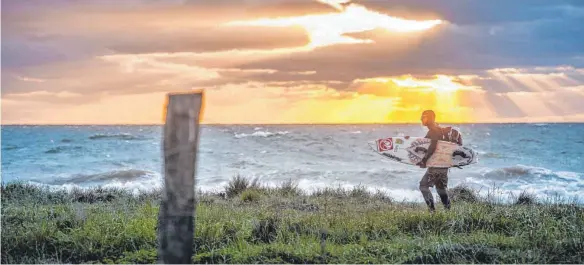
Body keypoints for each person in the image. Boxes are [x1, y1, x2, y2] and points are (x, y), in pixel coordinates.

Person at [417, 110, 452, 213]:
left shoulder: (433, 130)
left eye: (423, 116)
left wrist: (424, 160)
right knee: (440, 189)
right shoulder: (438, 129)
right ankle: (448, 211)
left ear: (429, 118)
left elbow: (433, 147)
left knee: (423, 186)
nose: (421, 119)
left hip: (437, 165)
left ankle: (432, 211)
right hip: (443, 164)